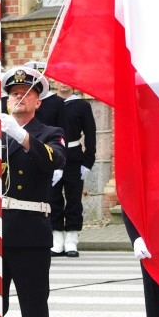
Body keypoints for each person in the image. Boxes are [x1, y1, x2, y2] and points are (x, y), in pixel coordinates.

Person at [0, 65, 66, 317]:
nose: (19, 98)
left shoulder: (50, 131)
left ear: (38, 102)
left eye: (27, 94)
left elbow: (53, 161)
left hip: (30, 230)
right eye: (14, 94)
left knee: (33, 308)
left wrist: (21, 136)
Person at [48, 80, 96, 257]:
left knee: (73, 198)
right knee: (53, 198)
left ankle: (71, 238)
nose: (63, 85)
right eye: (59, 81)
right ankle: (57, 236)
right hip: (52, 155)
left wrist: (88, 161)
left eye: (67, 81)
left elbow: (90, 134)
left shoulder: (81, 105)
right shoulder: (49, 104)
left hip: (74, 157)